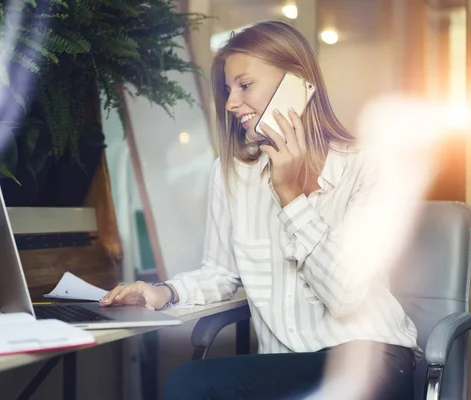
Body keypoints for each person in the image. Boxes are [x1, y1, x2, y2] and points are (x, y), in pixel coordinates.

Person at [101, 20, 418, 400]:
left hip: (370, 356)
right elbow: (220, 273)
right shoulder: (233, 174)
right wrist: (162, 293)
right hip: (284, 365)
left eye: (245, 85)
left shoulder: (368, 168)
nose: (232, 103)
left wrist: (291, 196)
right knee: (186, 383)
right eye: (227, 89)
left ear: (298, 84)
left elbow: (344, 294)